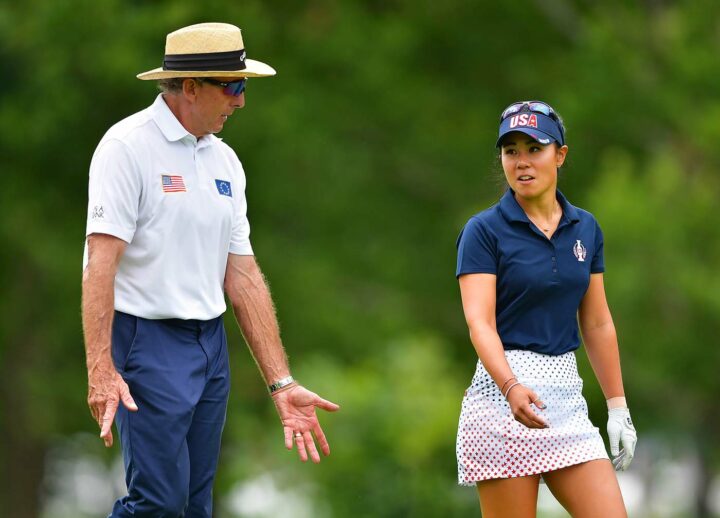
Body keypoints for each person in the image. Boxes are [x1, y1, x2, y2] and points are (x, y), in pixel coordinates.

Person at [82, 22, 340, 517]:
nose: (241, 100)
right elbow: (100, 263)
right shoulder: (128, 147)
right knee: (158, 503)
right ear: (190, 87)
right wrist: (101, 369)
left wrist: (282, 383)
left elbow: (241, 276)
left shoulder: (225, 161)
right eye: (233, 86)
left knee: (195, 506)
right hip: (146, 341)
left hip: (209, 345)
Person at [455, 100, 637, 517]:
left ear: (560, 154)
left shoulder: (585, 228)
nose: (522, 162)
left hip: (567, 402)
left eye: (534, 148)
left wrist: (617, 406)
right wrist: (510, 386)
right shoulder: (483, 231)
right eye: (511, 150)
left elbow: (596, 322)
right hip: (503, 403)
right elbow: (479, 322)